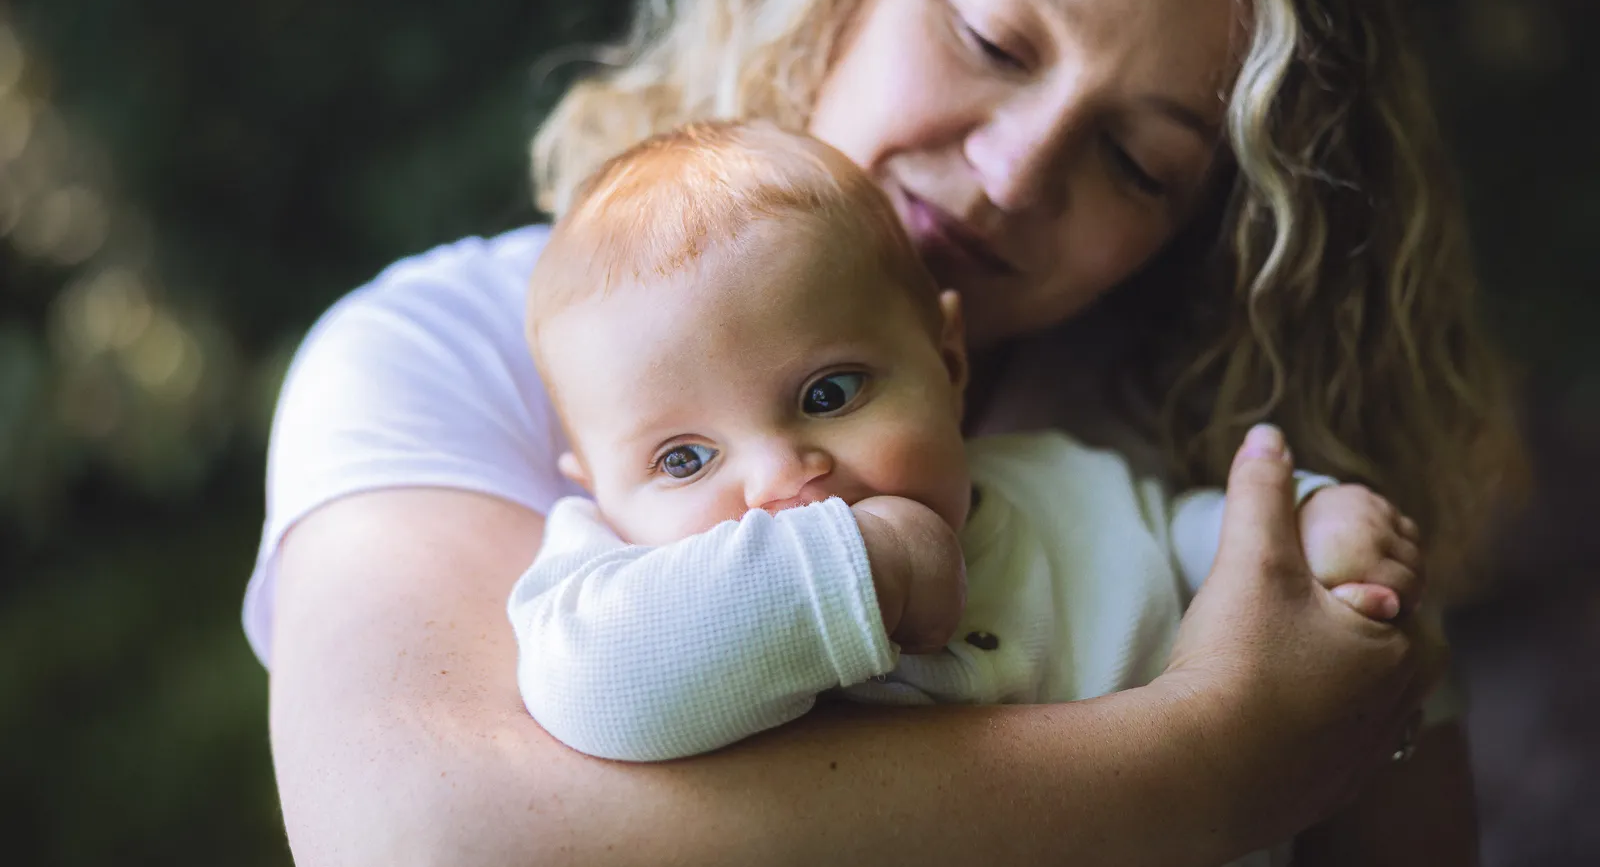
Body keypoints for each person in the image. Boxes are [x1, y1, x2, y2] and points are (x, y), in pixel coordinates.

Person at [249, 0, 1522, 865]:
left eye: (1135, 160)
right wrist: (1204, 760)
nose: (1017, 169)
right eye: (990, 38)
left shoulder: (1162, 445)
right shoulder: (452, 346)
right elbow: (422, 838)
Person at [509, 121, 1420, 786]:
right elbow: (598, 691)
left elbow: (1197, 550)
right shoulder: (611, 586)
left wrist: (1307, 524)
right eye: (683, 460)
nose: (782, 477)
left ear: (947, 362)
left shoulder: (1070, 486)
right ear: (597, 489)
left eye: (829, 394)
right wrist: (858, 566)